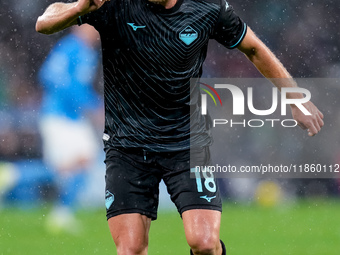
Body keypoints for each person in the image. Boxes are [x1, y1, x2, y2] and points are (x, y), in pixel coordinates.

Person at [35, 0, 324, 253]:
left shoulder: (208, 8)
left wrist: (294, 97)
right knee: (131, 249)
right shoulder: (113, 4)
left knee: (204, 243)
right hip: (127, 147)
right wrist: (77, 8)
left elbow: (253, 48)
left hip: (186, 144)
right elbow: (44, 23)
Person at [38, 24, 103, 233]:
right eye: (92, 27)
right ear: (79, 27)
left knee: (79, 163)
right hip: (58, 116)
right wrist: (89, 104)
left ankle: (62, 214)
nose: (96, 32)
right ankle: (17, 175)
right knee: (68, 167)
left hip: (73, 119)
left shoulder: (88, 53)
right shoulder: (70, 47)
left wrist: (91, 104)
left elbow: (78, 86)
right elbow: (48, 75)